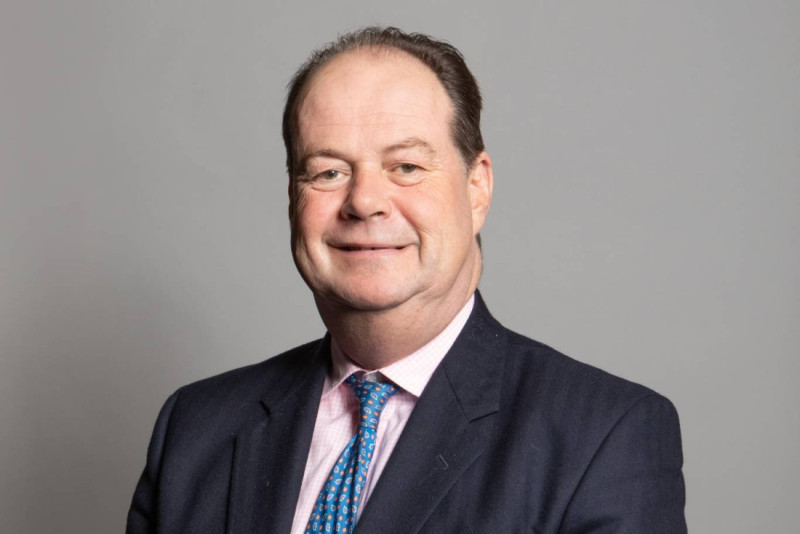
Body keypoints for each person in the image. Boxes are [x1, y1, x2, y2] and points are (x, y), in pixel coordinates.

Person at [127, 27, 686, 533]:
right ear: (293, 197)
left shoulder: (604, 437)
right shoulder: (195, 429)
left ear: (477, 188)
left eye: (407, 167)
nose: (365, 201)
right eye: (328, 171)